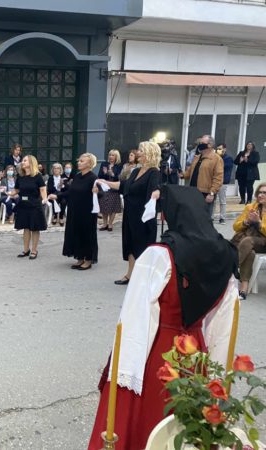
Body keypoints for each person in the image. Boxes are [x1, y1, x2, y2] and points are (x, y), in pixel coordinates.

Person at [87, 184, 239, 450]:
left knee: (149, 422)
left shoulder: (159, 255)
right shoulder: (226, 254)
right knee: (188, 424)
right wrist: (216, 376)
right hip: (196, 354)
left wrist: (122, 371)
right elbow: (223, 325)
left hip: (158, 353)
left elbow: (135, 317)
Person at [97, 141, 161, 285]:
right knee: (130, 243)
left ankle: (143, 278)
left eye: (141, 151)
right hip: (130, 212)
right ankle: (130, 275)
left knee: (142, 245)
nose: (138, 153)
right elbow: (124, 185)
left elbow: (156, 188)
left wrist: (157, 192)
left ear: (149, 154)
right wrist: (105, 182)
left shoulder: (154, 172)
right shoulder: (136, 171)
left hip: (143, 216)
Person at [58, 153, 98, 270]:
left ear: (89, 164)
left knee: (87, 234)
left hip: (87, 211)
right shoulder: (77, 176)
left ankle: (88, 259)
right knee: (76, 233)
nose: (78, 163)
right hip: (74, 209)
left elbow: (100, 193)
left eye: (82, 161)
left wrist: (96, 191)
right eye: (79, 160)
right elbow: (70, 191)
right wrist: (58, 195)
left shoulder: (93, 178)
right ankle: (79, 257)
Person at [230, 182, 266, 300]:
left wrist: (259, 223)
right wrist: (247, 222)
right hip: (248, 240)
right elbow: (235, 226)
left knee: (247, 241)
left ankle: (228, 270)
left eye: (264, 193)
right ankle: (244, 288)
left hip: (263, 242)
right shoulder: (250, 207)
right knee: (250, 253)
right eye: (259, 192)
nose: (260, 195)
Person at [7, 155, 47, 259]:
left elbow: (43, 189)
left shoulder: (37, 176)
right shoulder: (20, 176)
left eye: (25, 160)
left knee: (35, 228)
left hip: (34, 205)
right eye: (22, 160)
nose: (22, 162)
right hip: (23, 205)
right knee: (26, 228)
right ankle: (26, 250)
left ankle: (34, 250)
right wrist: (9, 193)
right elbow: (17, 190)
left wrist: (44, 199)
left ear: (31, 163)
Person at [182, 136, 224, 218]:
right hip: (193, 191)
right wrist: (182, 175)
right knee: (192, 216)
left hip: (205, 193)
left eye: (202, 143)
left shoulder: (216, 159)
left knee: (204, 218)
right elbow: (190, 171)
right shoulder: (197, 157)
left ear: (210, 145)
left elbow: (218, 178)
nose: (200, 145)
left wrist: (212, 193)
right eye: (199, 143)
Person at [97, 149, 123, 232]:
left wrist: (112, 174)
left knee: (113, 206)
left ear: (116, 157)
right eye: (110, 155)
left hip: (114, 188)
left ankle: (110, 223)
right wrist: (105, 173)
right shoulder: (104, 164)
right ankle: (105, 223)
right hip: (105, 187)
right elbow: (99, 176)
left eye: (113, 155)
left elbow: (120, 178)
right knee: (104, 205)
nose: (111, 157)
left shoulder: (119, 166)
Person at [215, 143, 234, 224]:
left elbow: (221, 167)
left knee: (222, 201)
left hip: (223, 182)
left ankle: (222, 218)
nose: (218, 150)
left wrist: (218, 158)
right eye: (217, 149)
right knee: (213, 200)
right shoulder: (215, 157)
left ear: (224, 149)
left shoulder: (228, 158)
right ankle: (211, 217)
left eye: (220, 148)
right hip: (214, 181)